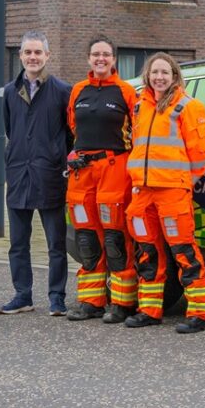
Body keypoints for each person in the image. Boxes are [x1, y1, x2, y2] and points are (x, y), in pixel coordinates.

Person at [125, 52, 205, 334]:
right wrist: (138, 180)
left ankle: (198, 313)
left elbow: (199, 154)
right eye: (154, 72)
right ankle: (150, 309)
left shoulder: (189, 106)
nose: (159, 77)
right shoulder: (140, 107)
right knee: (147, 252)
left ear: (175, 76)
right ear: (147, 76)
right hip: (143, 191)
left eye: (165, 72)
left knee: (183, 251)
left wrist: (185, 182)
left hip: (173, 191)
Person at [65, 36, 139, 323]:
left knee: (115, 237)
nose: (100, 59)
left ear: (114, 59)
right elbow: (74, 126)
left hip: (114, 168)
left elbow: (137, 131)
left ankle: (121, 303)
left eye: (106, 55)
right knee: (86, 237)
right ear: (88, 58)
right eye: (96, 54)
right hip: (82, 171)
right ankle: (91, 302)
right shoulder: (78, 91)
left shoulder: (125, 91)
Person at [0, 30, 72, 317]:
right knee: (18, 243)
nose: (33, 57)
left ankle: (56, 296)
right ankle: (22, 295)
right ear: (20, 56)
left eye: (38, 52)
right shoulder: (9, 92)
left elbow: (69, 134)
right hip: (18, 175)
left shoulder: (62, 91)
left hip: (50, 176)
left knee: (56, 243)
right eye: (28, 52)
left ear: (47, 56)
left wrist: (57, 158)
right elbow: (10, 129)